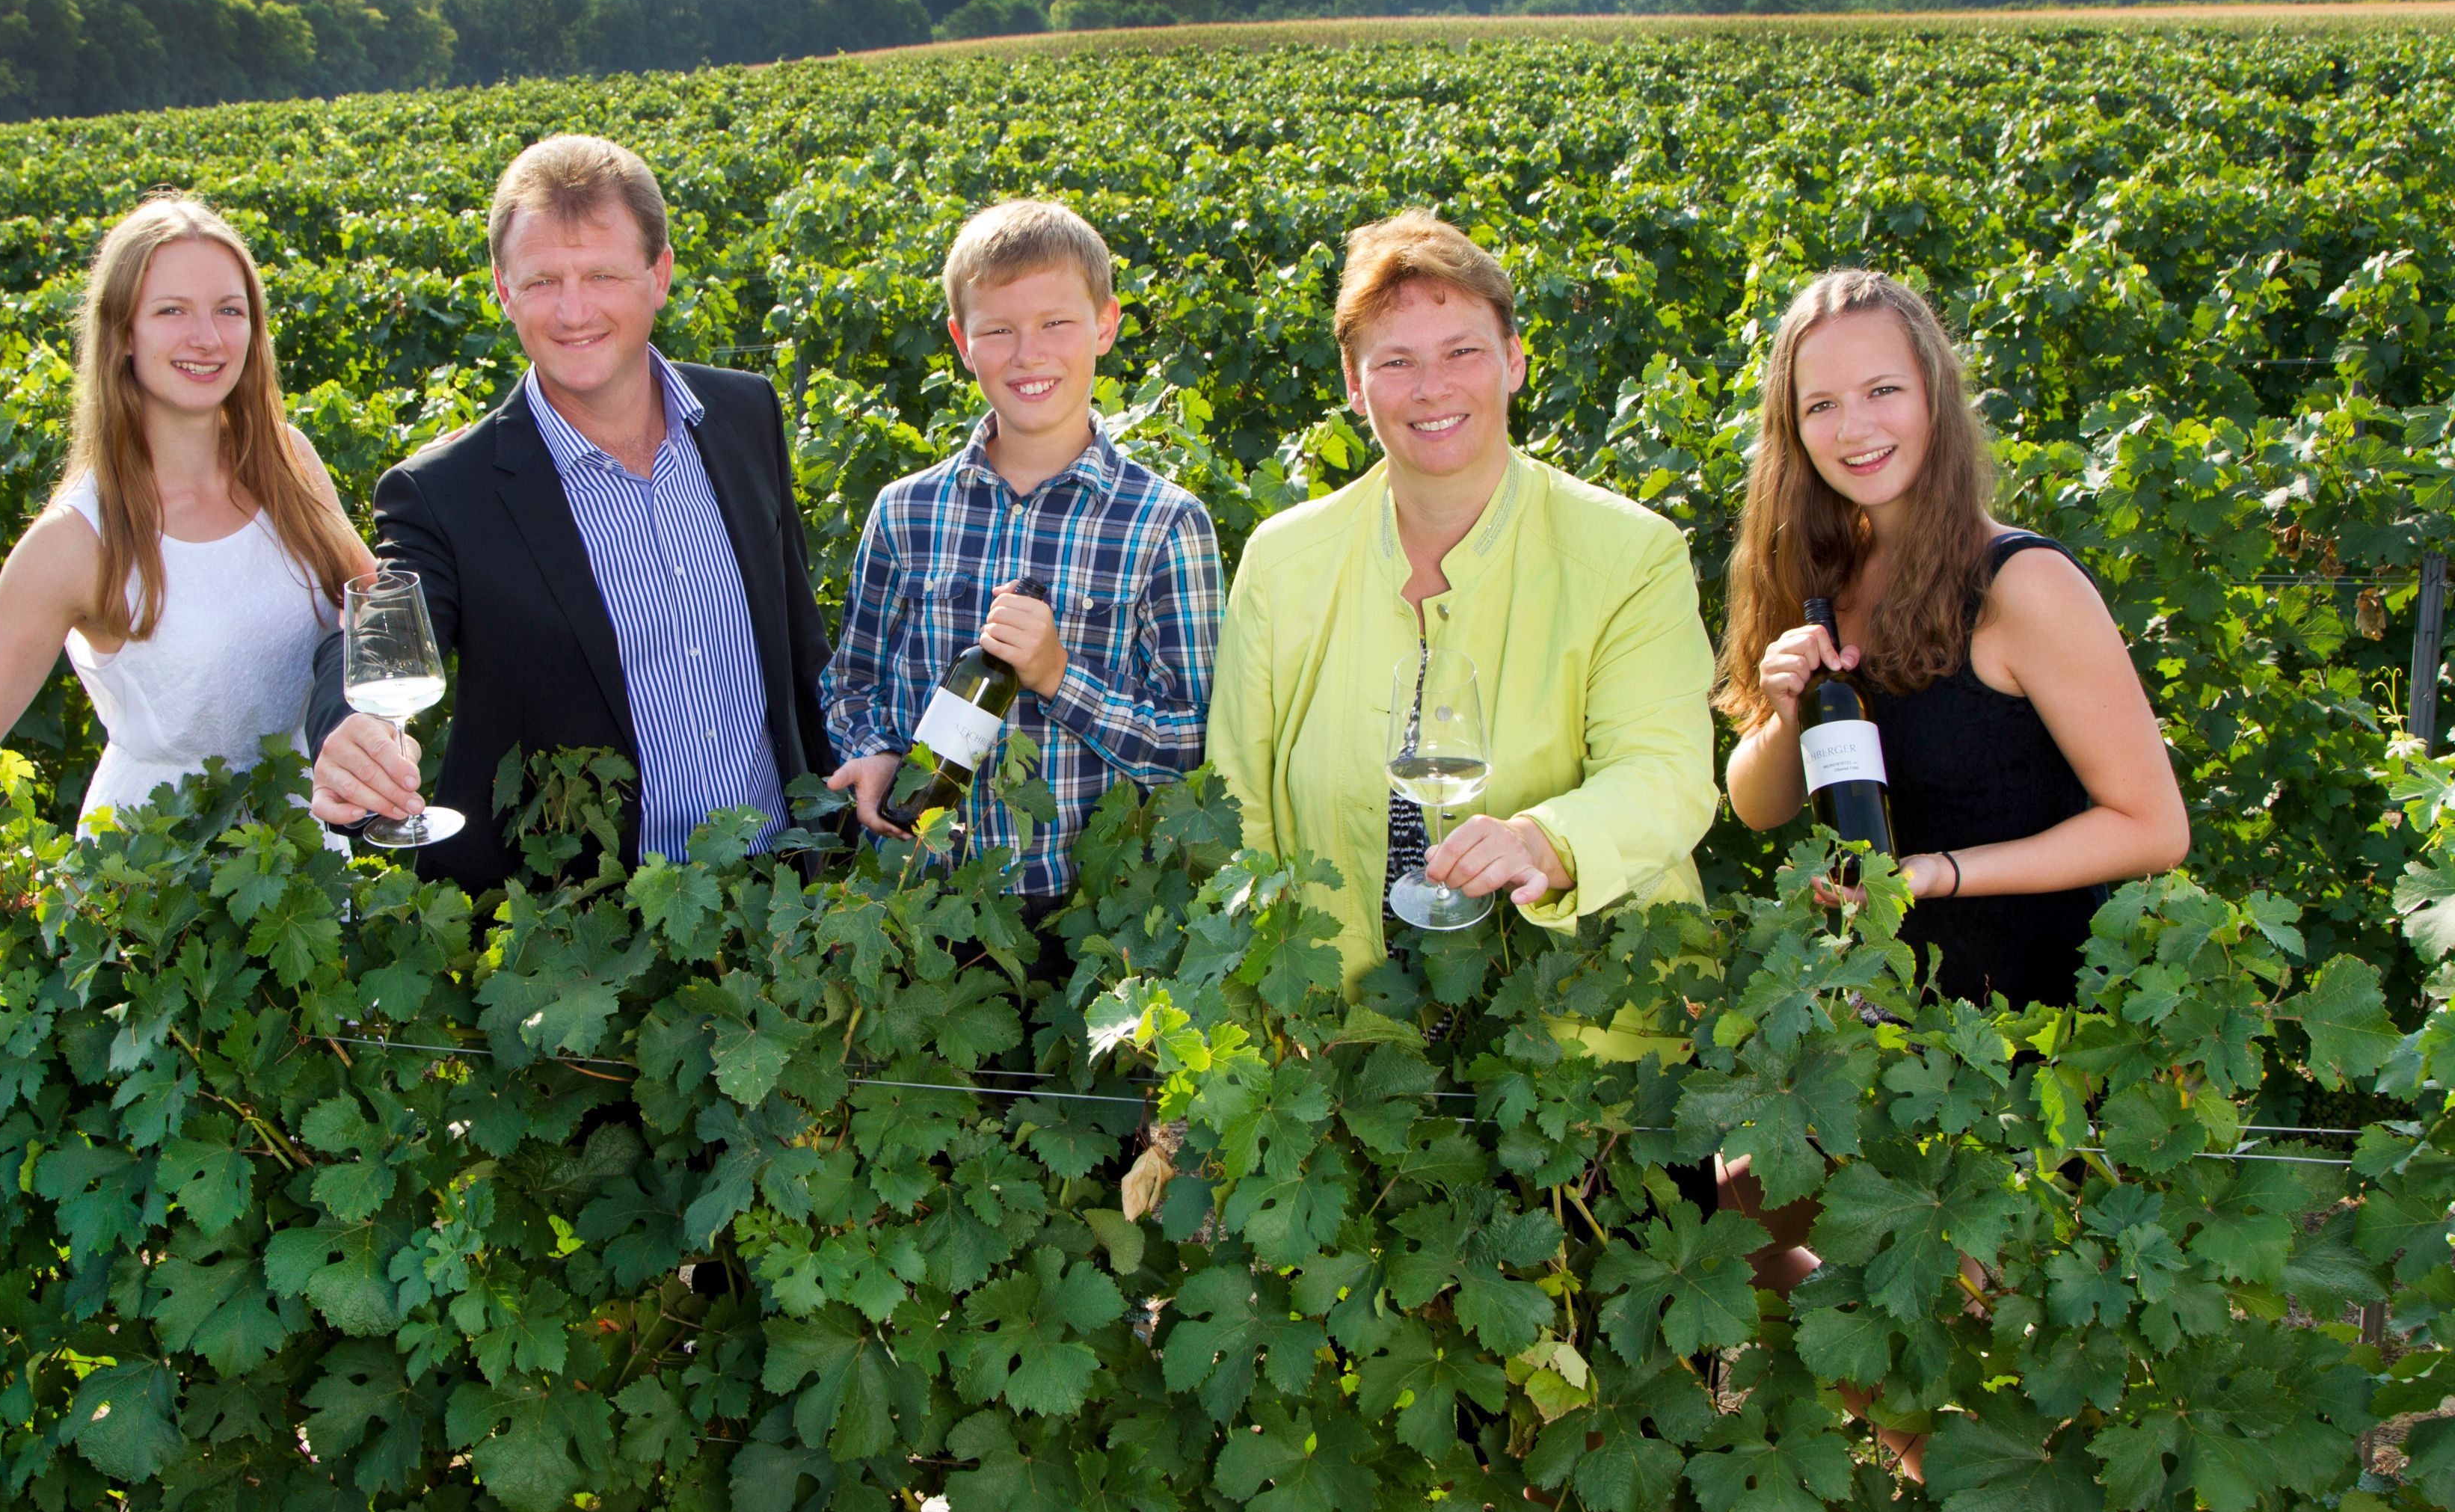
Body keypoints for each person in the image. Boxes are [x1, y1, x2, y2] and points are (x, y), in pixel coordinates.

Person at [1205, 210, 1718, 1030]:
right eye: (1396, 361)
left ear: (1513, 362)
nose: (1432, 388)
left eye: (1462, 352)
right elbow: (1239, 804)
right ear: (1353, 383)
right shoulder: (1281, 560)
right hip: (1345, 1035)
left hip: (1581, 1043)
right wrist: (1270, 1016)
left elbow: (1667, 773)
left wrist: (1546, 841)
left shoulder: (1630, 554)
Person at [304, 135, 835, 885]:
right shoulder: (446, 492)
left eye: (602, 275)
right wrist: (345, 724)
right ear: (502, 290)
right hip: (588, 930)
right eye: (543, 280)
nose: (573, 310)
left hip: (783, 890)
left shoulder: (745, 414)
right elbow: (371, 628)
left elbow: (799, 647)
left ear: (659, 275)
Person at [0, 197, 372, 845]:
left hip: (306, 845)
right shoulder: (76, 542)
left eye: (229, 309)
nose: (208, 337)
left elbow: (379, 621)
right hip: (157, 874)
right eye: (172, 310)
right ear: (122, 333)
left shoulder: (289, 463)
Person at [1718, 267, 2188, 1008]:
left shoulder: (2022, 584)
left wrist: (1942, 873)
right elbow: (1756, 807)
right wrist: (1784, 715)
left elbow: (2153, 828)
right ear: (1793, 428)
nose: (1854, 428)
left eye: (1882, 391)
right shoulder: (1819, 579)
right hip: (1880, 1017)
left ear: (1934, 395)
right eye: (1821, 405)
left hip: (2031, 1028)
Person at [820, 199, 1223, 905]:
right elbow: (853, 679)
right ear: (961, 340)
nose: (1029, 353)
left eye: (1056, 323)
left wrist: (1057, 675)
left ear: (1106, 324)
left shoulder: (1165, 524)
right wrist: (872, 750)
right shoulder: (905, 511)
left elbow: (1194, 745)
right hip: (916, 896)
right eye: (999, 330)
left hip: (1083, 913)